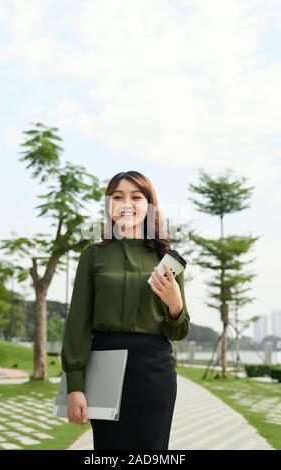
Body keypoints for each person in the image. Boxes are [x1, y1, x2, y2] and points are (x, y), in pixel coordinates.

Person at [61, 170, 191, 450]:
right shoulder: (93, 255)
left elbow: (178, 331)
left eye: (136, 196)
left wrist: (175, 302)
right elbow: (78, 323)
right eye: (117, 197)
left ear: (149, 205)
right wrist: (74, 385)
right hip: (103, 364)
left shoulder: (165, 258)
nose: (126, 204)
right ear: (109, 204)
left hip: (154, 369)